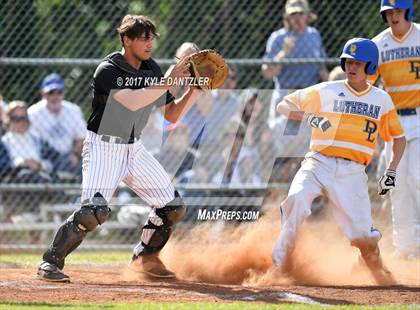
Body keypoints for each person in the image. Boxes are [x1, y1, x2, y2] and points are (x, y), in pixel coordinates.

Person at [37, 14, 203, 282]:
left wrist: (195, 89)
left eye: (152, 38)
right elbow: (132, 101)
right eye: (143, 38)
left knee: (172, 207)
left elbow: (170, 114)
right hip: (104, 147)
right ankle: (50, 262)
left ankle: (144, 260)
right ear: (126, 40)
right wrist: (168, 80)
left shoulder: (152, 69)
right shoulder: (108, 70)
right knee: (93, 212)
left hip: (133, 149)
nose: (149, 44)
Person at [271, 38, 406, 285]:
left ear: (371, 66)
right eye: (348, 62)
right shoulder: (327, 90)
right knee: (296, 200)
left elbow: (398, 138)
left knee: (364, 237)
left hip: (352, 173)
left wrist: (392, 169)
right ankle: (277, 266)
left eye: (357, 63)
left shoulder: (381, 99)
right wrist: (309, 118)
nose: (351, 67)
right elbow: (283, 105)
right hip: (318, 162)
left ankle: (373, 264)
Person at [368, 0, 419, 259]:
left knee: (417, 177)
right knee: (396, 184)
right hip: (395, 122)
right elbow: (368, 87)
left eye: (397, 11)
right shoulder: (378, 45)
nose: (393, 16)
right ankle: (405, 248)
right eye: (388, 12)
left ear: (408, 12)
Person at [262, 0, 328, 127]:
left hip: (309, 98)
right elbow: (267, 73)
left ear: (308, 15)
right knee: (280, 140)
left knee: (308, 143)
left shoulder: (314, 35)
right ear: (286, 17)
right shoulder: (278, 38)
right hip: (285, 98)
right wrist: (284, 52)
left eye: (300, 13)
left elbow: (322, 68)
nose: (297, 18)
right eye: (293, 14)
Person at [28, 73, 87, 179]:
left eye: (59, 92)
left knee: (87, 162)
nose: (55, 97)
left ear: (63, 93)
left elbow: (81, 138)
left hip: (67, 156)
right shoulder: (33, 113)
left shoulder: (73, 110)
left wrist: (75, 154)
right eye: (51, 93)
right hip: (44, 155)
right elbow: (31, 141)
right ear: (43, 94)